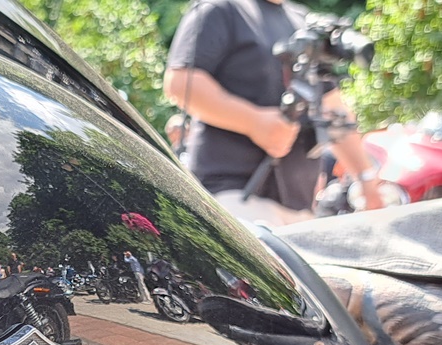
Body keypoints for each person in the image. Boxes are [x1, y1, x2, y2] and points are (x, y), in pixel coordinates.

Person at [164, 0, 384, 225]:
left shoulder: (303, 21)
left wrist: (366, 180)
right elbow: (180, 82)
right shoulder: (221, 9)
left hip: (301, 209)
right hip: (232, 195)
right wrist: (253, 122)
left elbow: (333, 108)